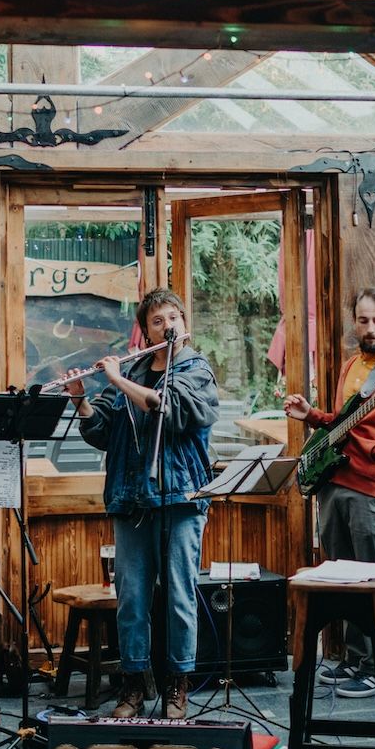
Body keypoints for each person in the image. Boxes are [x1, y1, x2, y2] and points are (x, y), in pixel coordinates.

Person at [63, 289, 220, 720]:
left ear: (184, 324)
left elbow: (171, 410)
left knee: (178, 598)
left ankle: (178, 689)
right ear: (145, 329)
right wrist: (81, 399)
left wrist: (116, 380)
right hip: (131, 500)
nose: (167, 325)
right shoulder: (134, 369)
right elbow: (102, 434)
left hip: (180, 498)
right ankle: (134, 688)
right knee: (131, 598)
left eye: (173, 317)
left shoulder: (195, 369)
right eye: (156, 320)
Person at [282, 287, 375, 699]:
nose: (369, 328)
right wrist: (309, 415)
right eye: (363, 320)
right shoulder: (350, 366)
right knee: (340, 577)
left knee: (373, 578)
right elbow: (340, 424)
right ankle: (352, 657)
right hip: (335, 484)